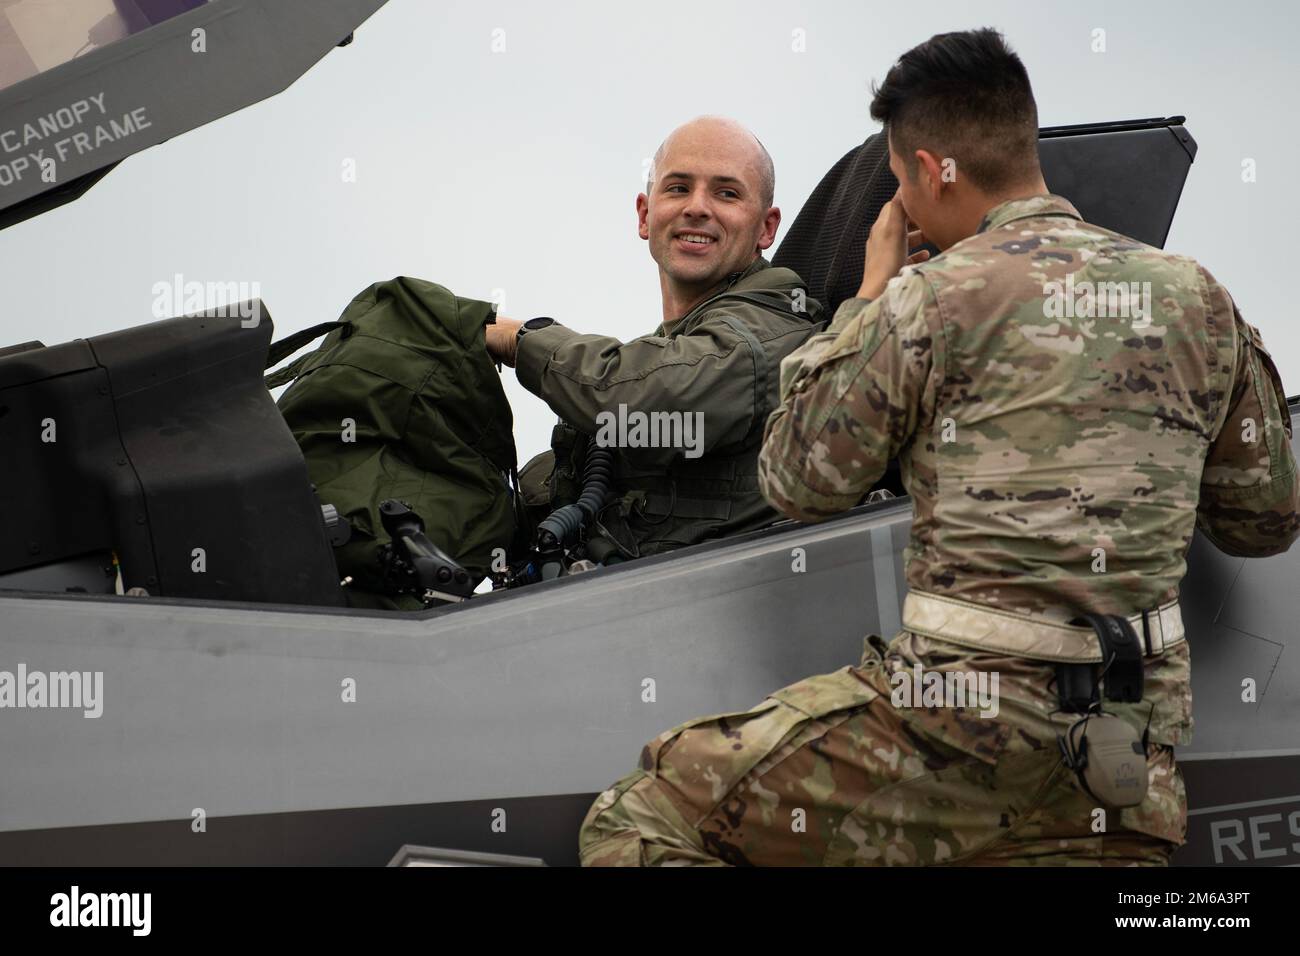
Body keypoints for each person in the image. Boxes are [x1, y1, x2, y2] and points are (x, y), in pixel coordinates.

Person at [577, 28, 1300, 866]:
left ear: (925, 170)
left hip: (948, 740)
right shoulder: (1199, 301)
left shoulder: (924, 302)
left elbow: (796, 481)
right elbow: (1266, 522)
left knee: (640, 814)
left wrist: (868, 297)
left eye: (895, 182)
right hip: (1123, 768)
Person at [485, 116, 824, 562]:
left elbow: (632, 393)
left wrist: (517, 338)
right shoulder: (670, 350)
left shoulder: (773, 332)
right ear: (646, 215)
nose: (697, 207)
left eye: (727, 193)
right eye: (679, 188)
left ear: (766, 227)